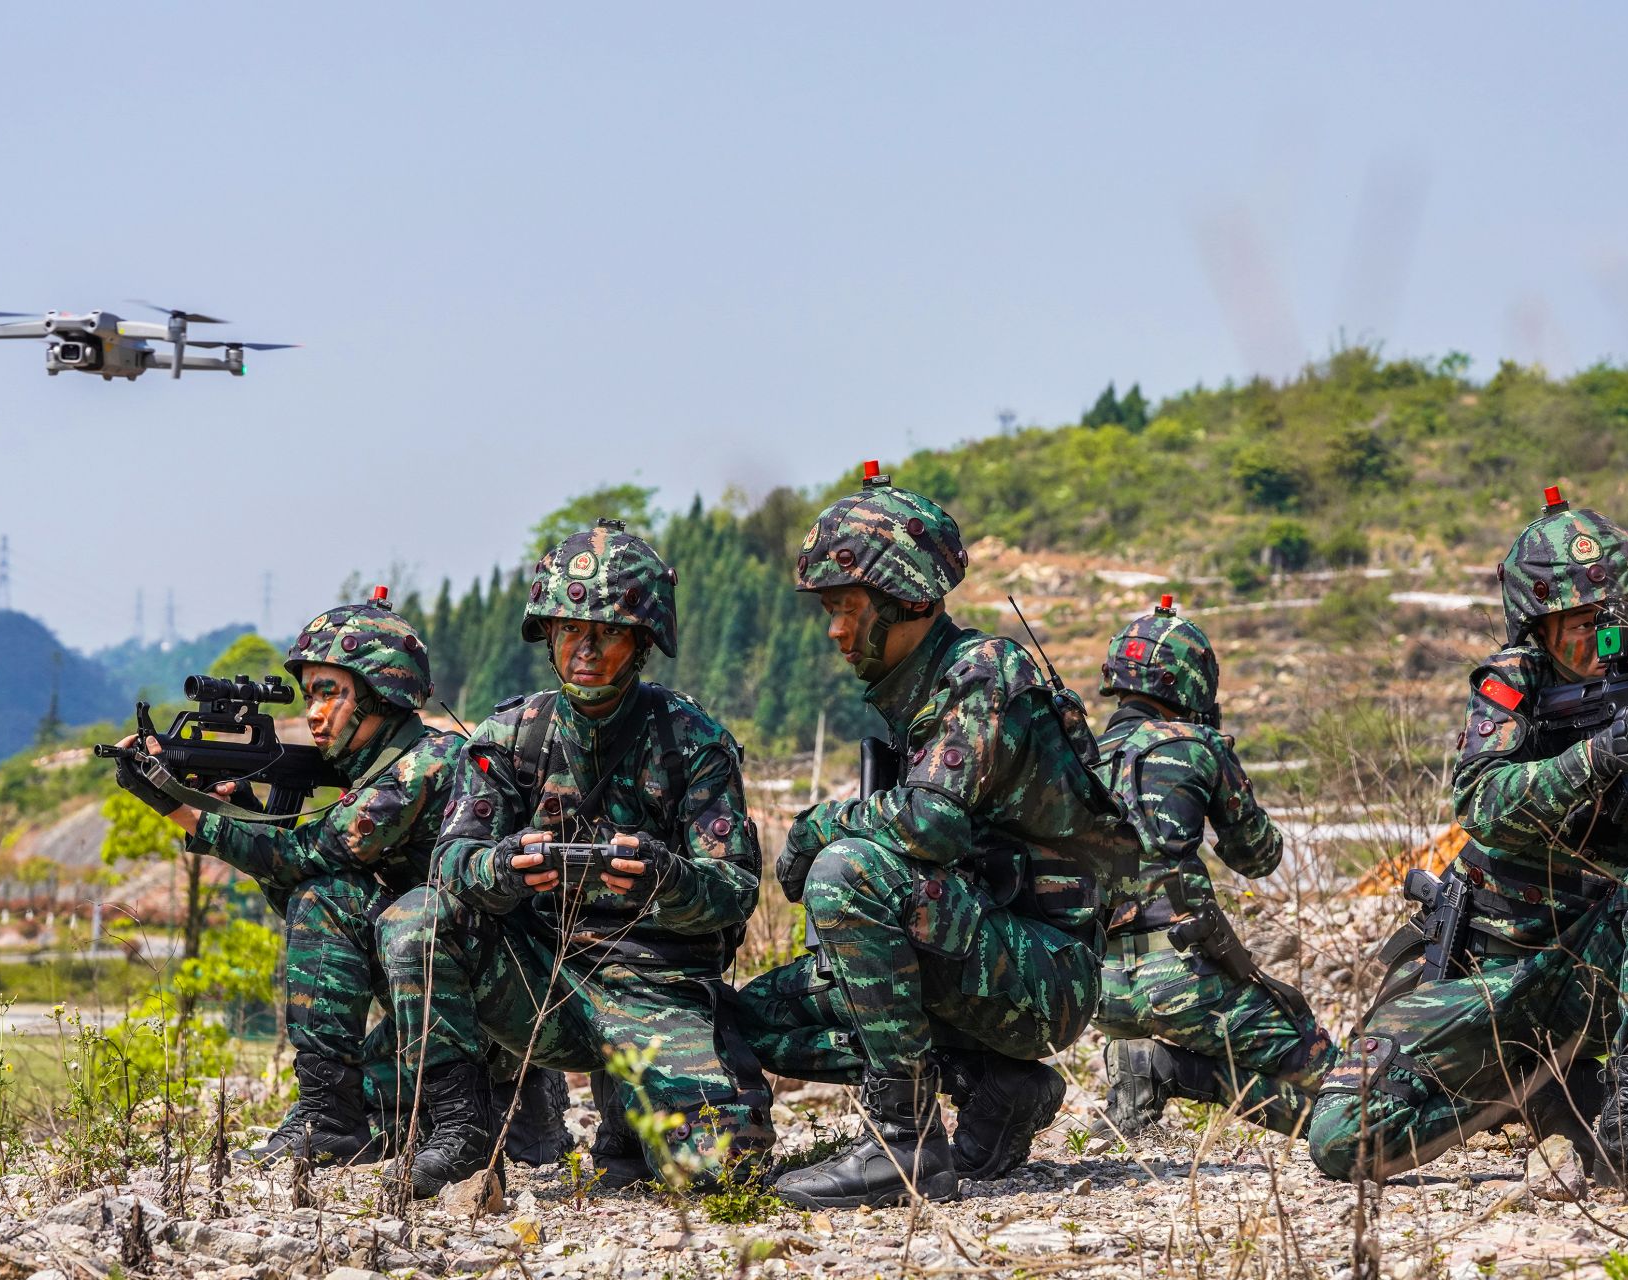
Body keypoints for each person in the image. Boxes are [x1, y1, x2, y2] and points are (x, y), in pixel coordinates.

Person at [736, 463, 1140, 1209]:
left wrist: (819, 825)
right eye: (829, 608)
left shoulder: (981, 672)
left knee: (846, 871)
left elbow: (931, 820)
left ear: (907, 601)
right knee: (749, 1019)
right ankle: (993, 1085)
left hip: (1045, 972)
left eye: (848, 607)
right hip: (990, 954)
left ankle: (903, 1142)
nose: (833, 629)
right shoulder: (922, 693)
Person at [1306, 489, 1628, 1190]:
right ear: (1535, 625)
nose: (1597, 639)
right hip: (1492, 969)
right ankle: (1533, 1090)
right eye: (1576, 623)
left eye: (1610, 618)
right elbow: (1481, 802)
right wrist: (1596, 756)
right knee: (1343, 1138)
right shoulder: (1515, 683)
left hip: (1594, 959)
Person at [381, 520, 772, 1199]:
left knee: (719, 1175)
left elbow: (735, 888)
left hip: (657, 984)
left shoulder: (691, 740)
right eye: (569, 630)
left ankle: (629, 1117)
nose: (585, 650)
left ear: (643, 643)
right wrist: (502, 869)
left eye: (609, 633)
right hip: (542, 981)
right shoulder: (511, 737)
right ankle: (460, 1129)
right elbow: (450, 864)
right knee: (416, 920)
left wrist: (665, 875)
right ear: (549, 636)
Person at [111, 591, 568, 1170]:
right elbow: (301, 884)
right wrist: (242, 807)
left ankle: (354, 1120)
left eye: (331, 692)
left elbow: (308, 856)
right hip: (449, 1004)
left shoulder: (421, 767)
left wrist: (182, 808)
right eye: (309, 695)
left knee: (326, 900)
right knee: (373, 1098)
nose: (315, 712)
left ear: (380, 694)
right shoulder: (380, 767)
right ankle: (510, 1106)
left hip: (502, 1002)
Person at [1091, 600, 1335, 1139]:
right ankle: (1176, 1072)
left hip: (1097, 990)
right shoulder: (1196, 745)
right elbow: (1259, 856)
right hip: (1183, 979)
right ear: (1192, 681)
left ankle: (1138, 1061)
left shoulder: (1074, 757)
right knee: (1345, 1094)